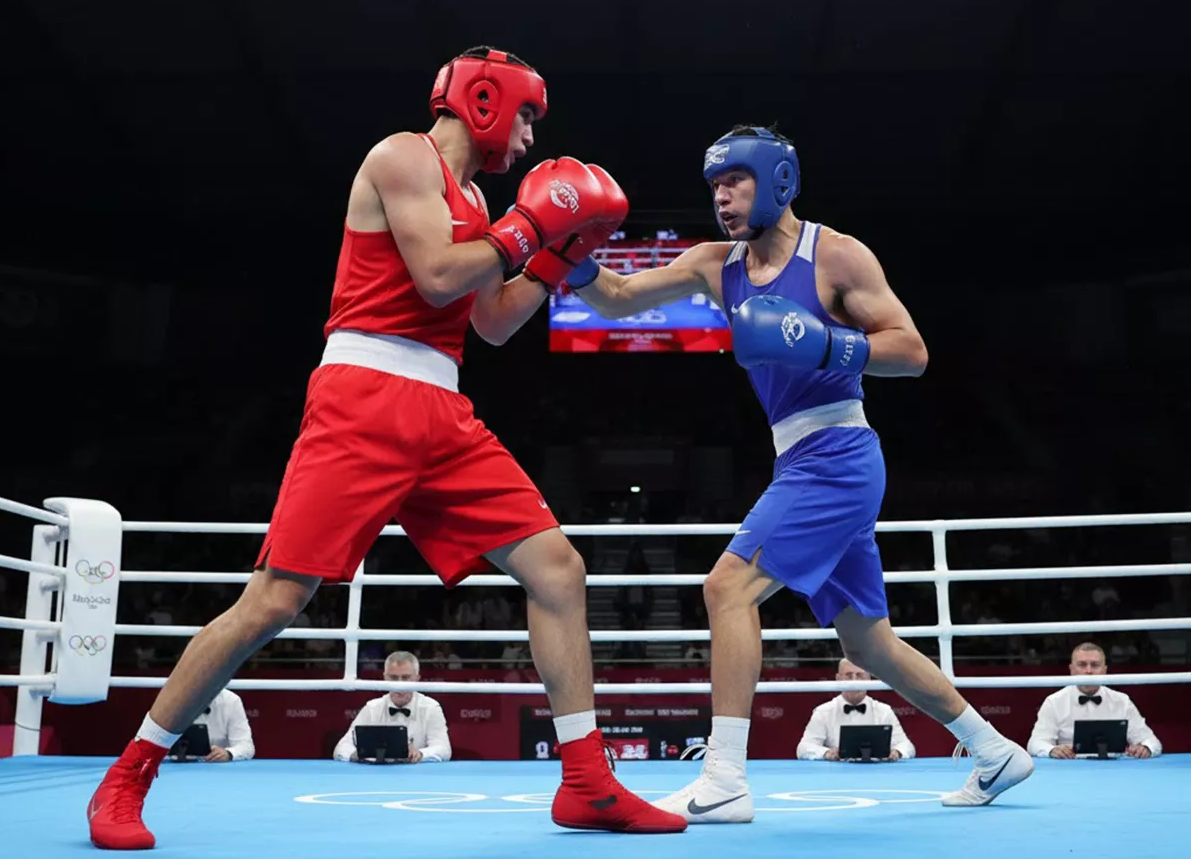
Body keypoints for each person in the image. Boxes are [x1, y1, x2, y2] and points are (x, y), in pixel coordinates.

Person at [86, 46, 686, 849]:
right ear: (483, 98)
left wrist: (556, 255)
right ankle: (127, 777)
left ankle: (587, 784)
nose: (532, 140)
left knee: (559, 571)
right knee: (274, 602)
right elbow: (438, 275)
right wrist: (532, 224)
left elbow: (491, 322)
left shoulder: (476, 198)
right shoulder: (402, 157)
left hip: (443, 407)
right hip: (362, 397)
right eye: (529, 115)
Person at [567, 124, 1033, 822]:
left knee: (727, 587)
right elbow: (616, 299)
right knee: (867, 640)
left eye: (735, 182)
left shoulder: (836, 256)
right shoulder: (711, 264)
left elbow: (911, 351)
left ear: (777, 181)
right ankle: (994, 750)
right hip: (799, 455)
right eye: (715, 186)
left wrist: (822, 345)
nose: (721, 197)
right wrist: (561, 255)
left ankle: (724, 776)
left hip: (840, 454)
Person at [1027, 642, 1162, 759]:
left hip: (1115, 772)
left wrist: (1146, 748)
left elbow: (1151, 741)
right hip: (1068, 771)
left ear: (1104, 670)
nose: (1089, 671)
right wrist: (1052, 750)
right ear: (1071, 670)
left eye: (1095, 665)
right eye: (1082, 665)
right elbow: (1035, 743)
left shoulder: (1122, 701)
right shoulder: (1054, 701)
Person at [334, 652, 451, 764]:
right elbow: (342, 748)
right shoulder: (372, 708)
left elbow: (443, 748)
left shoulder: (431, 707)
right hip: (377, 776)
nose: (399, 684)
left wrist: (420, 754)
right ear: (385, 677)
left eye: (406, 678)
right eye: (394, 678)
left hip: (417, 777)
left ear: (417, 678)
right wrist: (355, 755)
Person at [795, 658, 915, 761]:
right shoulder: (823, 711)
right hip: (836, 777)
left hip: (877, 776)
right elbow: (804, 748)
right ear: (838, 679)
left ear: (869, 680)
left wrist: (897, 752)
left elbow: (907, 746)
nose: (854, 681)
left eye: (860, 675)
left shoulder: (884, 710)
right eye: (848, 675)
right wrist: (827, 753)